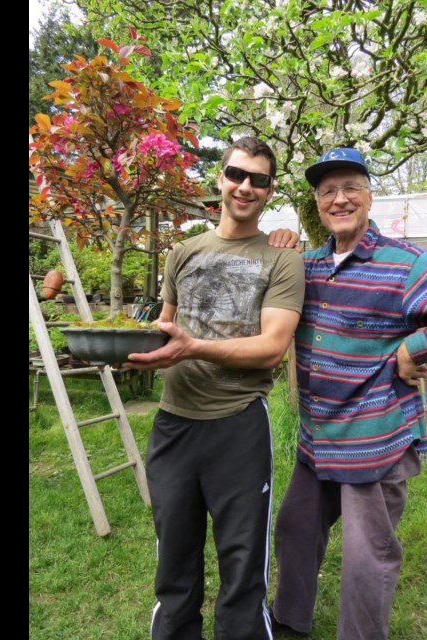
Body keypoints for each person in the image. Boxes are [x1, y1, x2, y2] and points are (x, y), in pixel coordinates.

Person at [267, 148, 427, 639]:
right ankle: (289, 620)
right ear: (316, 204)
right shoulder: (307, 266)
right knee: (294, 528)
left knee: (366, 555)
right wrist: (275, 246)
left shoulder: (404, 263)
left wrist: (417, 347)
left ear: (369, 196)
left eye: (350, 188)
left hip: (375, 438)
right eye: (327, 191)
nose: (339, 199)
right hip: (319, 437)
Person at [124, 136, 305, 640]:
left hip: (238, 423)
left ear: (270, 191)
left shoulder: (281, 259)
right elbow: (166, 326)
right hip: (173, 423)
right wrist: (132, 348)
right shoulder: (182, 252)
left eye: (260, 180)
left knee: (242, 560)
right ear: (220, 179)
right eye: (237, 175)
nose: (246, 187)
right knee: (174, 553)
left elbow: (272, 348)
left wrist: (192, 348)